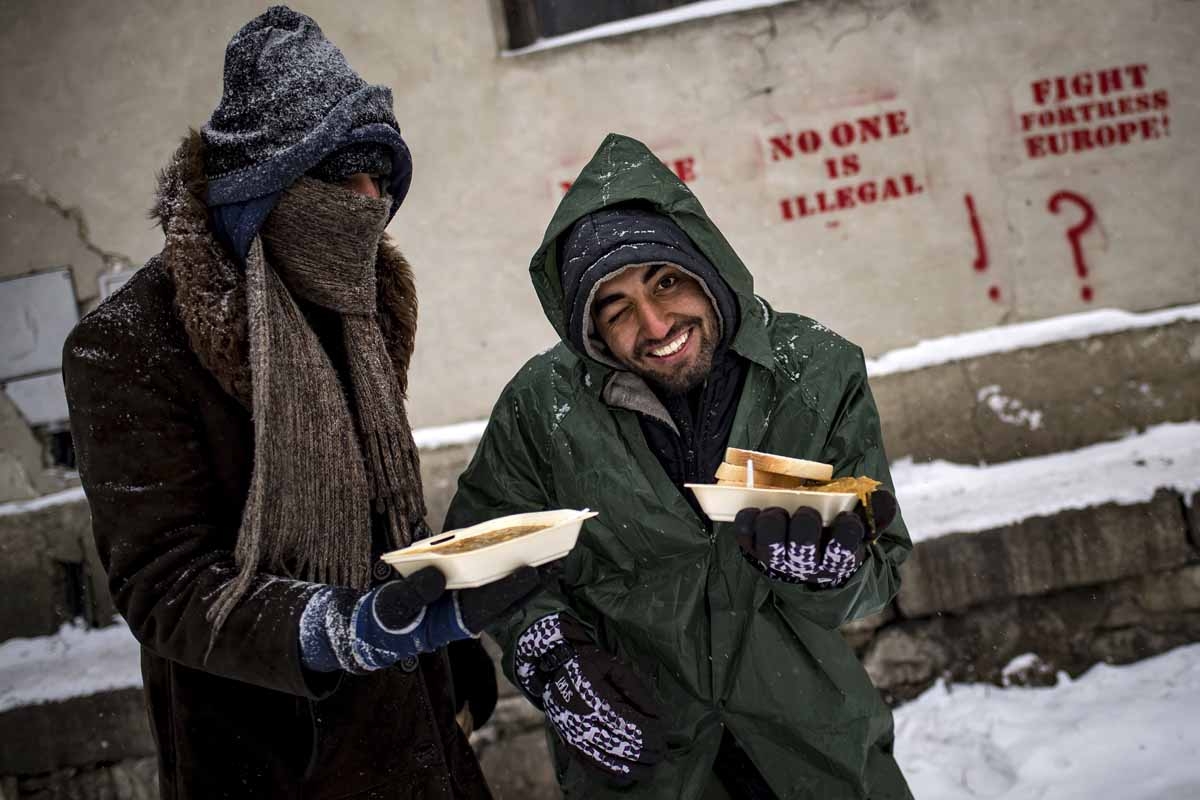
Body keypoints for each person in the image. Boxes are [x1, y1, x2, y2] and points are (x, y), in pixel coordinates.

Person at [62, 7, 539, 798]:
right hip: (273, 761)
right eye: (343, 176)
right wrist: (333, 630)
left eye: (380, 179)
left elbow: (388, 515)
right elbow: (164, 582)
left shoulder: (357, 303)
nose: (367, 203)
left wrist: (452, 664)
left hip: (416, 740)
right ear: (265, 187)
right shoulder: (131, 344)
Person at [444, 133, 914, 798]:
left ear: (706, 268)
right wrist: (550, 652)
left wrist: (833, 567)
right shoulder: (539, 409)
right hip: (647, 764)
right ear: (590, 334)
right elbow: (489, 554)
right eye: (617, 309)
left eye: (666, 281)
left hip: (816, 750)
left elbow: (879, 564)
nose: (657, 322)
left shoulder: (815, 370)